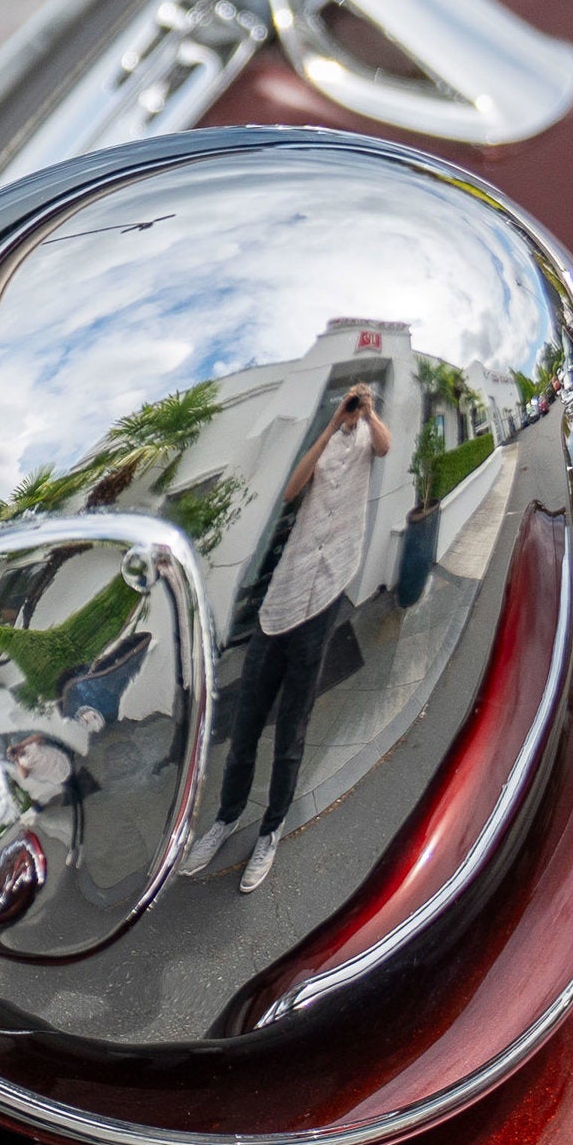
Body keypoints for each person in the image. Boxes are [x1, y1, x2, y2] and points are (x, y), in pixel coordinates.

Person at [201, 380, 394, 894]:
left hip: (327, 589)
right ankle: (226, 818)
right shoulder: (329, 439)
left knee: (292, 727)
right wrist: (334, 423)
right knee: (245, 727)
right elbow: (291, 492)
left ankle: (271, 830)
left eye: (357, 402)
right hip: (283, 593)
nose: (353, 409)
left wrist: (369, 411)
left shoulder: (370, 436)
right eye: (350, 403)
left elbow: (386, 446)